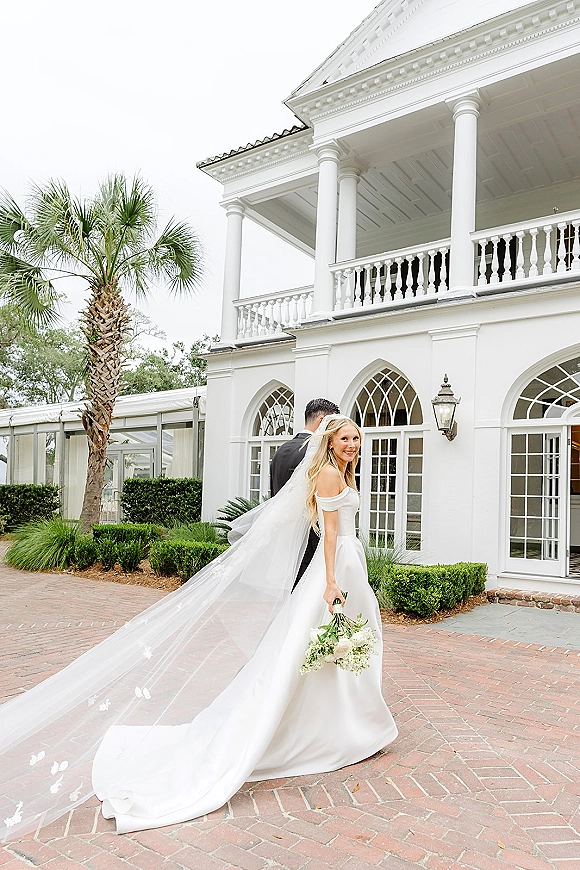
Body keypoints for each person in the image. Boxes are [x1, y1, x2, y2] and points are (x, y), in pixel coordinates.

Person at [0, 416, 397, 840]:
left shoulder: (338, 472)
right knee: (323, 648)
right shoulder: (330, 474)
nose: (353, 443)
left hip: (346, 566)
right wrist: (333, 582)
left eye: (357, 437)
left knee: (330, 650)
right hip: (335, 570)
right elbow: (330, 533)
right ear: (329, 442)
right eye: (345, 438)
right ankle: (338, 728)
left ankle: (343, 724)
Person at [270, 398, 340, 588]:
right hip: (312, 539)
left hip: (286, 539)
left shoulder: (280, 451)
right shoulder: (318, 453)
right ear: (322, 421)